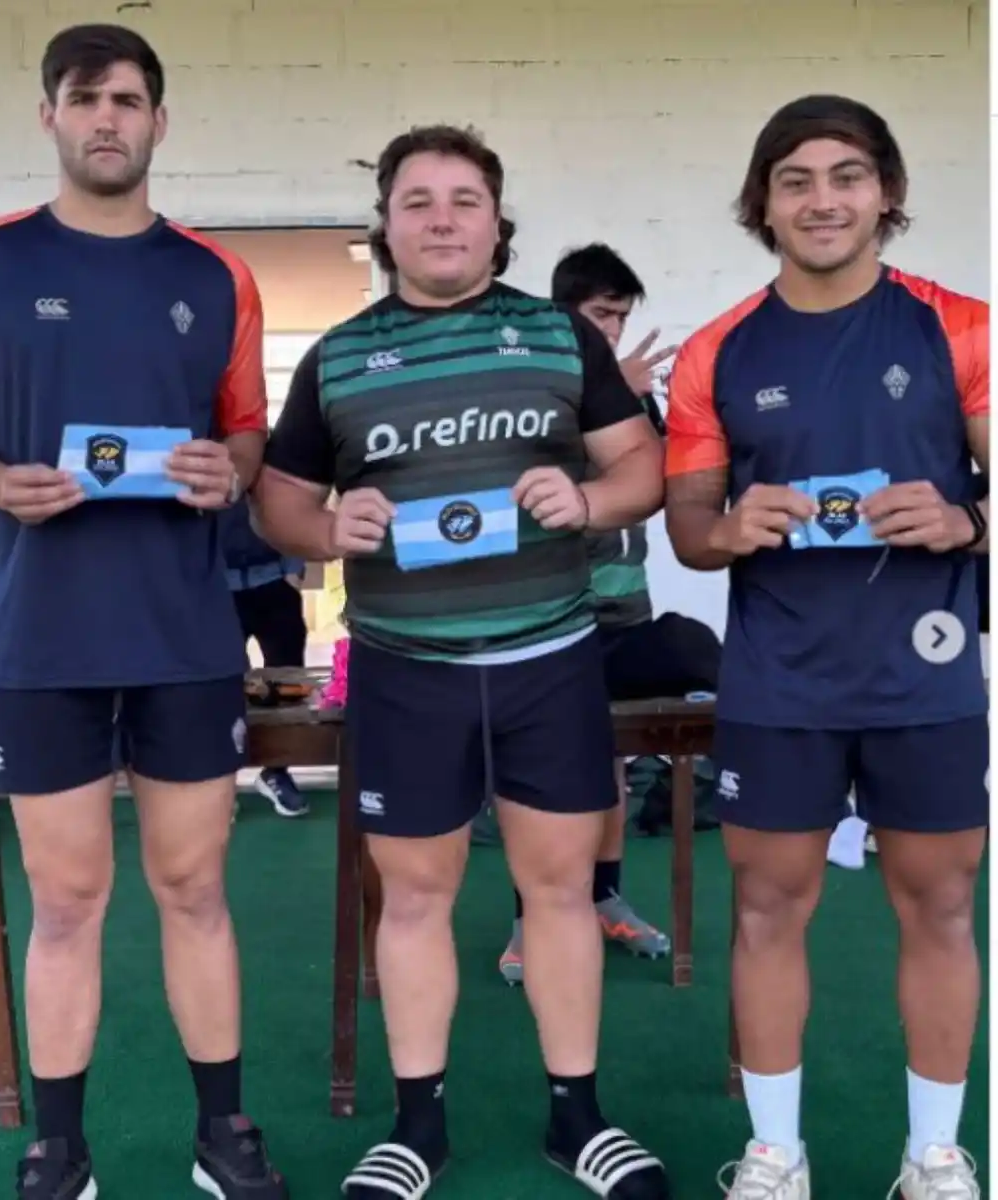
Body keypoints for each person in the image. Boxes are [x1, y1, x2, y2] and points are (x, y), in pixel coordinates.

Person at [252, 125, 671, 1200]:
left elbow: (640, 467)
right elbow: (284, 499)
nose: (442, 218)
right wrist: (324, 529)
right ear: (386, 225)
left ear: (497, 219)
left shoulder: (556, 336)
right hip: (405, 668)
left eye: (465, 199)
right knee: (416, 899)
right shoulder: (340, 357)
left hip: (551, 659)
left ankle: (578, 1119)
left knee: (561, 893)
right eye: (419, 201)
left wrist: (588, 499)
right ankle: (416, 1128)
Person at [0, 24, 288, 1200]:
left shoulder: (215, 275)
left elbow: (245, 431)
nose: (108, 118)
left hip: (185, 636)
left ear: (160, 120)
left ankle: (223, 1131)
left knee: (195, 888)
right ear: (48, 115)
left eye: (129, 99)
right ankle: (60, 1144)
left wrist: (228, 471)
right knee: (67, 899)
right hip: (40, 640)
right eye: (86, 97)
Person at [664, 94, 988, 1200]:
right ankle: (775, 1155)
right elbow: (690, 527)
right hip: (780, 676)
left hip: (928, 671)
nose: (822, 200)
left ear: (887, 193)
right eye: (795, 180)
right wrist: (727, 529)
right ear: (763, 202)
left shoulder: (962, 326)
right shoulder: (716, 350)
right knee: (766, 908)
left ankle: (935, 1156)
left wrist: (965, 521)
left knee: (941, 906)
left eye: (847, 176)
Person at [499, 243, 721, 985]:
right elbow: (526, 497)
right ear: (563, 316)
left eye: (621, 318)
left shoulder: (631, 400)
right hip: (552, 623)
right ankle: (531, 919)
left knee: (613, 769)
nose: (613, 332)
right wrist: (598, 399)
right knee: (542, 779)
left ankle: (605, 899)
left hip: (626, 618)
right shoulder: (530, 391)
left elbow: (657, 484)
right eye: (600, 315)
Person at [222, 497, 311, 816]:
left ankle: (276, 772)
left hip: (275, 583)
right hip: (216, 591)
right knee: (221, 689)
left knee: (287, 685)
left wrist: (294, 572)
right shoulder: (196, 449)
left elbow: (293, 507)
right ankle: (220, 781)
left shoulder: (268, 455)